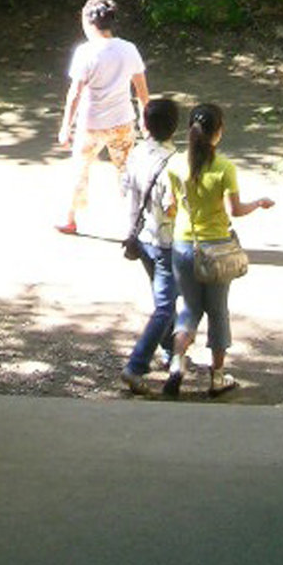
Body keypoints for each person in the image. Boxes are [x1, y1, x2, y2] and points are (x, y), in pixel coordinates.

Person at [162, 101, 273, 398]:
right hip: (216, 249)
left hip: (183, 244)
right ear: (218, 133)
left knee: (189, 307)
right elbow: (233, 210)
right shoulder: (224, 168)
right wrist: (259, 203)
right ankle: (218, 376)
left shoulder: (175, 165)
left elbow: (171, 206)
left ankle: (176, 363)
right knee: (218, 311)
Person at [54, 0, 149, 235]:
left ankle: (69, 218)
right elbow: (141, 91)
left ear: (88, 22)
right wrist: (145, 120)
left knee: (80, 169)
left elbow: (74, 93)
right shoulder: (129, 49)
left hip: (91, 124)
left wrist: (66, 126)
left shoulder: (85, 52)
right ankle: (135, 223)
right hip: (123, 122)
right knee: (126, 171)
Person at [120, 96, 179, 392]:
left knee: (162, 298)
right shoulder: (174, 161)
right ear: (176, 127)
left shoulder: (136, 153)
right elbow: (173, 206)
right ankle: (136, 365)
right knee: (167, 306)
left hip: (139, 236)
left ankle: (171, 352)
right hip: (165, 241)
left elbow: (124, 188)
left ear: (145, 124)